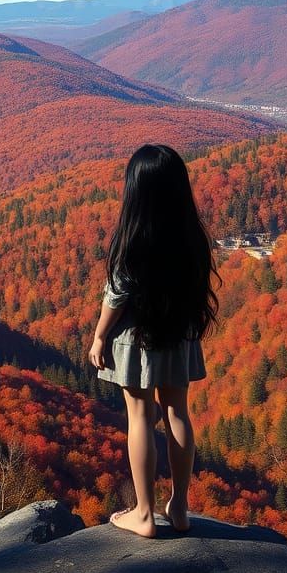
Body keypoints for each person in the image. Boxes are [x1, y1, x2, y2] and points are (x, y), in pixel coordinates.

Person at [87, 144, 219, 537]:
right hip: (178, 332)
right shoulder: (191, 236)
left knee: (141, 415)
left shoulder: (134, 239)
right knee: (177, 412)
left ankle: (144, 514)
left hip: (136, 336)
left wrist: (99, 336)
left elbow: (117, 294)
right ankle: (179, 506)